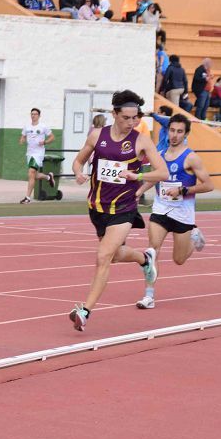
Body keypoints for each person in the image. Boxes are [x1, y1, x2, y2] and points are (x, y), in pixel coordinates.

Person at [69, 90, 168, 331]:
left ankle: (85, 311)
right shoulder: (97, 136)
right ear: (114, 114)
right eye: (126, 118)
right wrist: (79, 172)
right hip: (97, 207)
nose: (132, 123)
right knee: (113, 254)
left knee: (103, 257)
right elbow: (79, 160)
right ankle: (145, 258)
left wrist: (138, 175)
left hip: (124, 207)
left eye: (136, 118)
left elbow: (163, 172)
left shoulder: (140, 140)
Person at [133, 115, 212, 309]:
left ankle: (195, 238)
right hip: (161, 208)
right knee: (152, 250)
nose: (174, 135)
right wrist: (140, 190)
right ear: (167, 131)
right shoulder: (159, 152)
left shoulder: (191, 157)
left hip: (182, 213)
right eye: (172, 130)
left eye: (179, 131)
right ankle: (149, 296)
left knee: (179, 260)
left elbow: (209, 185)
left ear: (186, 134)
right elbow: (156, 177)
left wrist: (183, 190)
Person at [19, 107, 56, 203]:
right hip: (29, 153)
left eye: (35, 114)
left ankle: (27, 197)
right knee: (34, 175)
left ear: (39, 116)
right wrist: (22, 139)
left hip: (38, 153)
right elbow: (23, 135)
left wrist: (45, 142)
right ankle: (48, 177)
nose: (33, 115)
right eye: (32, 114)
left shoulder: (43, 126)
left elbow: (52, 137)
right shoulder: (27, 126)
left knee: (31, 173)